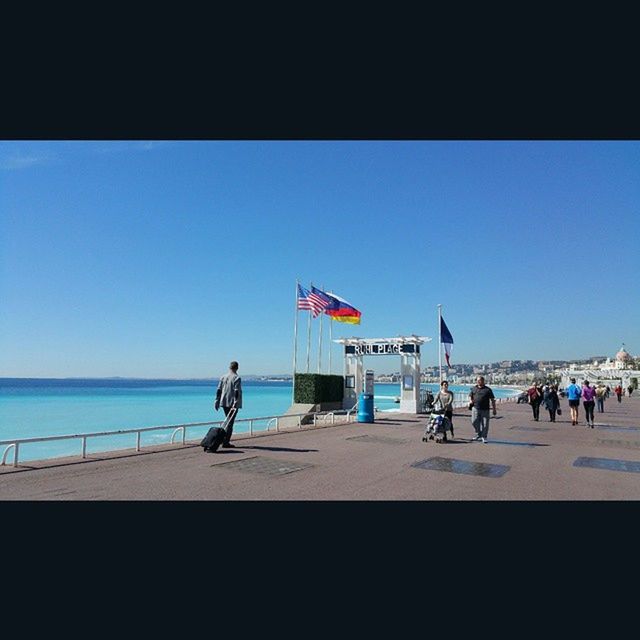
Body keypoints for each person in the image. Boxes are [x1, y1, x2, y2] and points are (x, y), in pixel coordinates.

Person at [215, 361, 242, 448]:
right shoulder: (236, 378)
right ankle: (225, 442)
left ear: (229, 367)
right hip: (232, 403)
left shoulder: (223, 377)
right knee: (230, 423)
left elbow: (218, 389)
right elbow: (236, 391)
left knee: (227, 421)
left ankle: (223, 439)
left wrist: (216, 400)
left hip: (223, 402)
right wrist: (235, 402)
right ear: (237, 368)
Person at [469, 376, 497, 443]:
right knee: (474, 422)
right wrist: (470, 400)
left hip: (485, 410)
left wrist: (494, 409)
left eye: (480, 380)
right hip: (475, 408)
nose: (478, 381)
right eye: (477, 380)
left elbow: (492, 400)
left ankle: (484, 437)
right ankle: (478, 434)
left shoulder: (488, 390)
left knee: (485, 424)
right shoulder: (474, 388)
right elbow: (470, 395)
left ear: (483, 381)